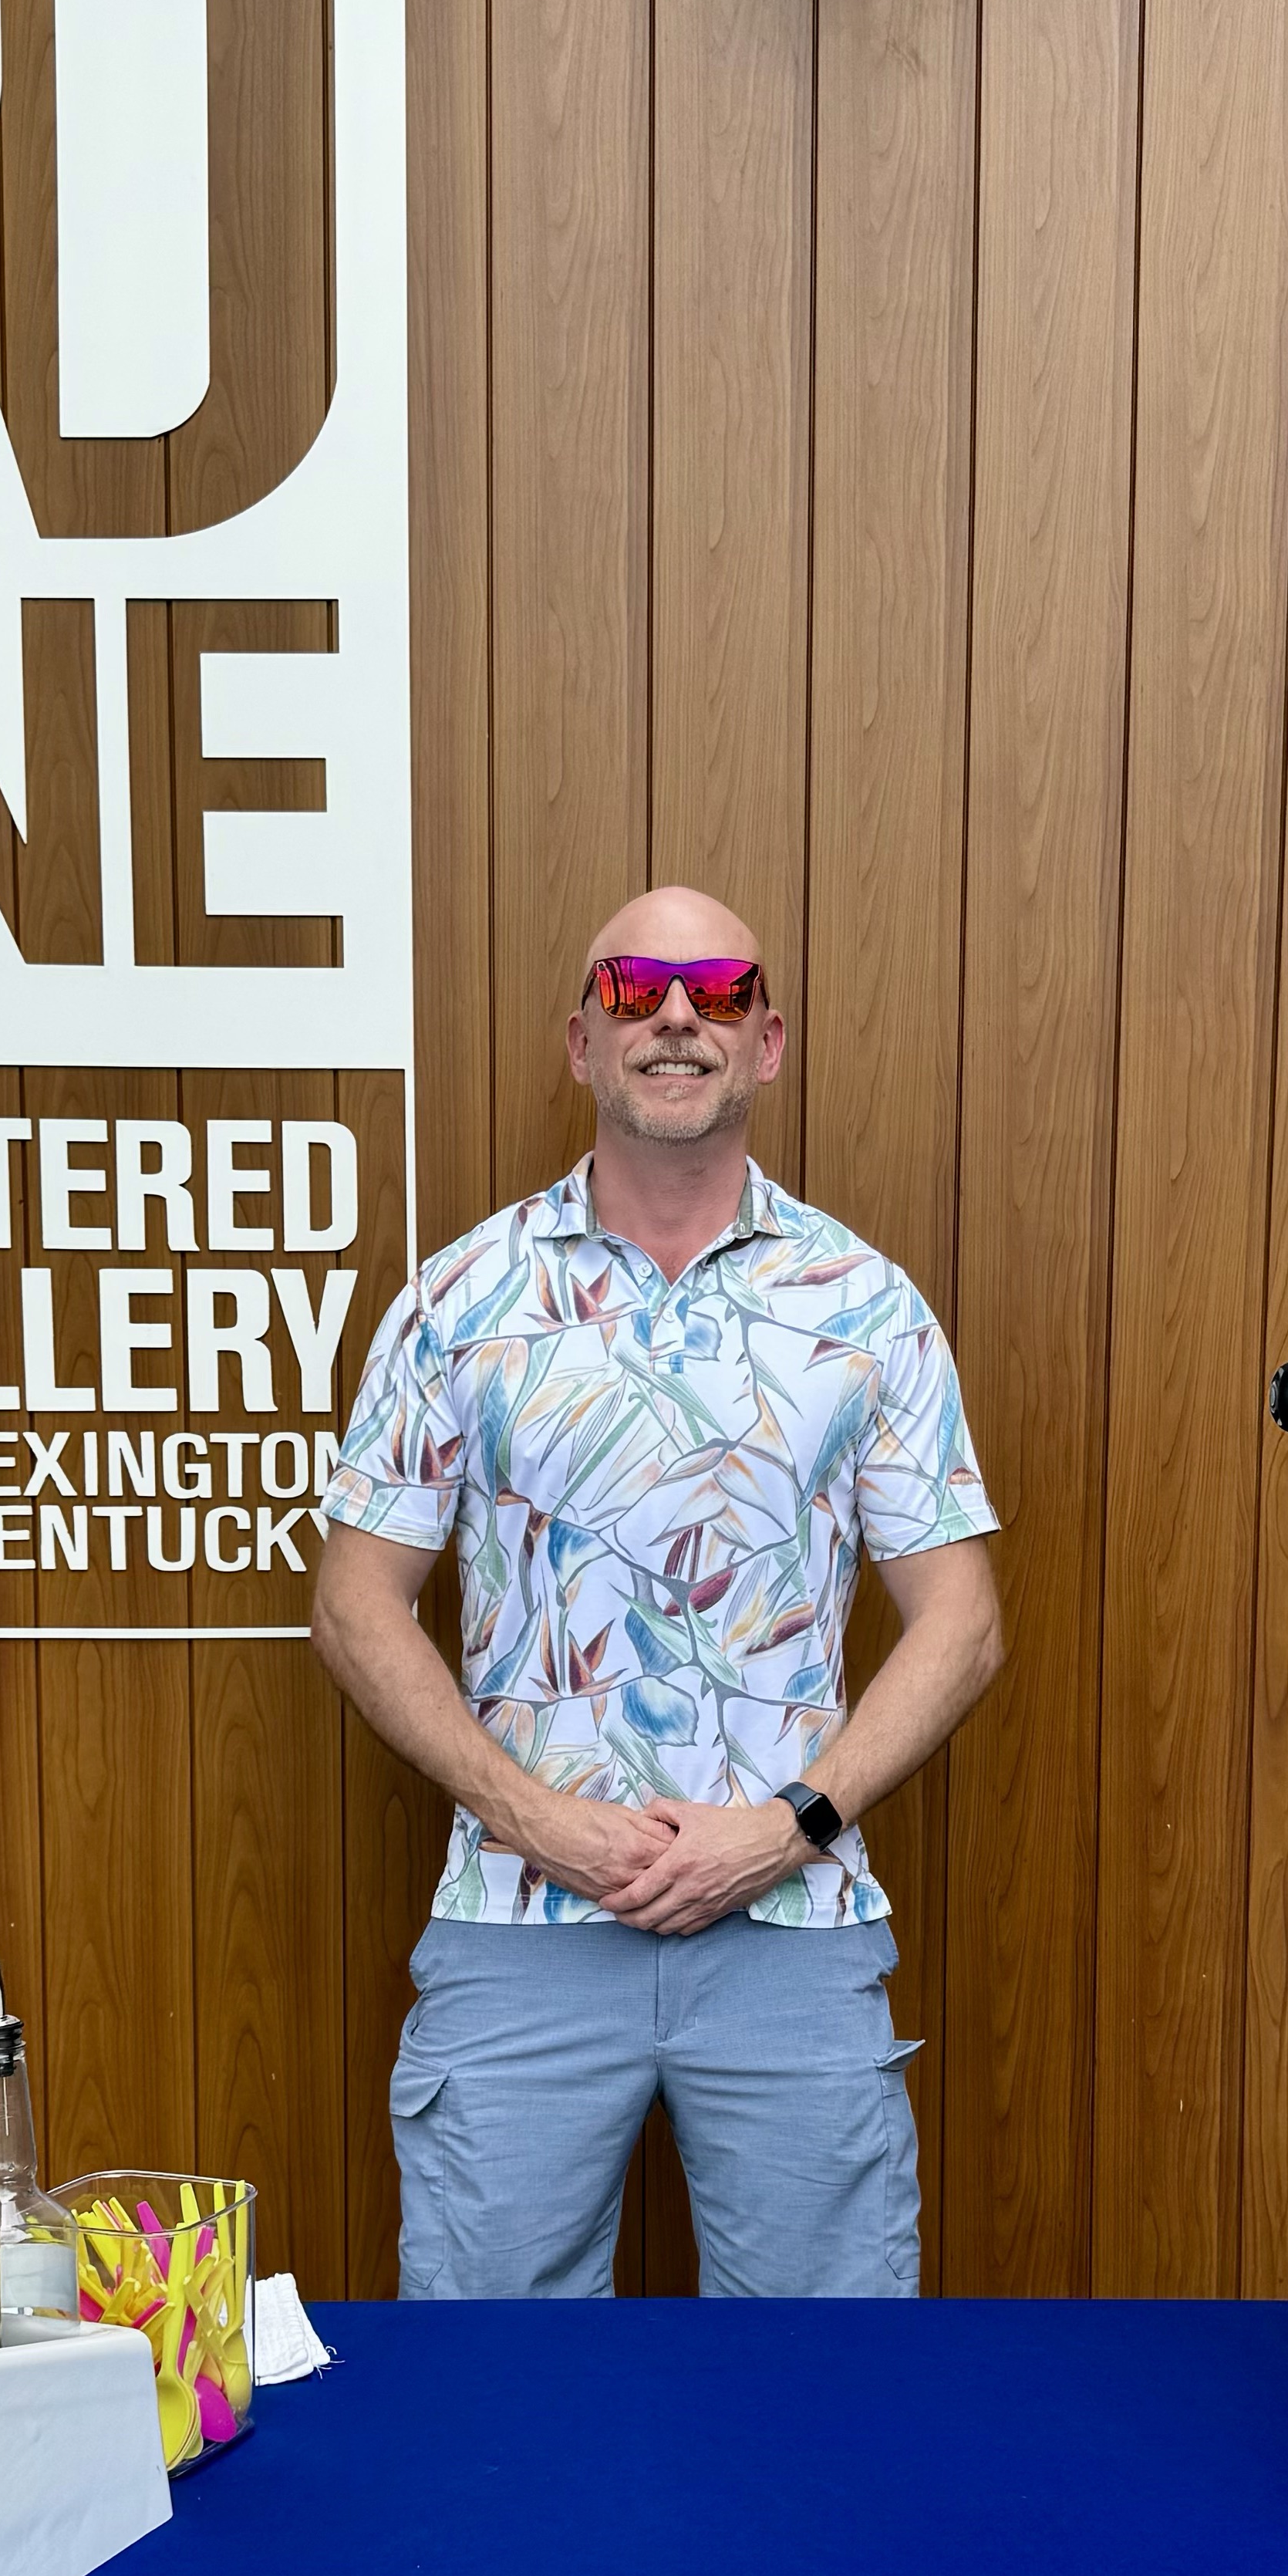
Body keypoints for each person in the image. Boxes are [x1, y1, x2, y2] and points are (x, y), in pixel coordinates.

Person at [312, 886, 1006, 2297]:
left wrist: (786, 1825)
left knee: (824, 2393)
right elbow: (355, 1602)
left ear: (769, 1041)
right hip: (519, 1917)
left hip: (793, 1924)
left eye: (718, 989)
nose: (676, 1013)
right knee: (492, 2388)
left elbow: (964, 1621)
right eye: (634, 988)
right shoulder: (463, 1298)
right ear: (582, 1040)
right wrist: (535, 1818)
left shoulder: (864, 1305)